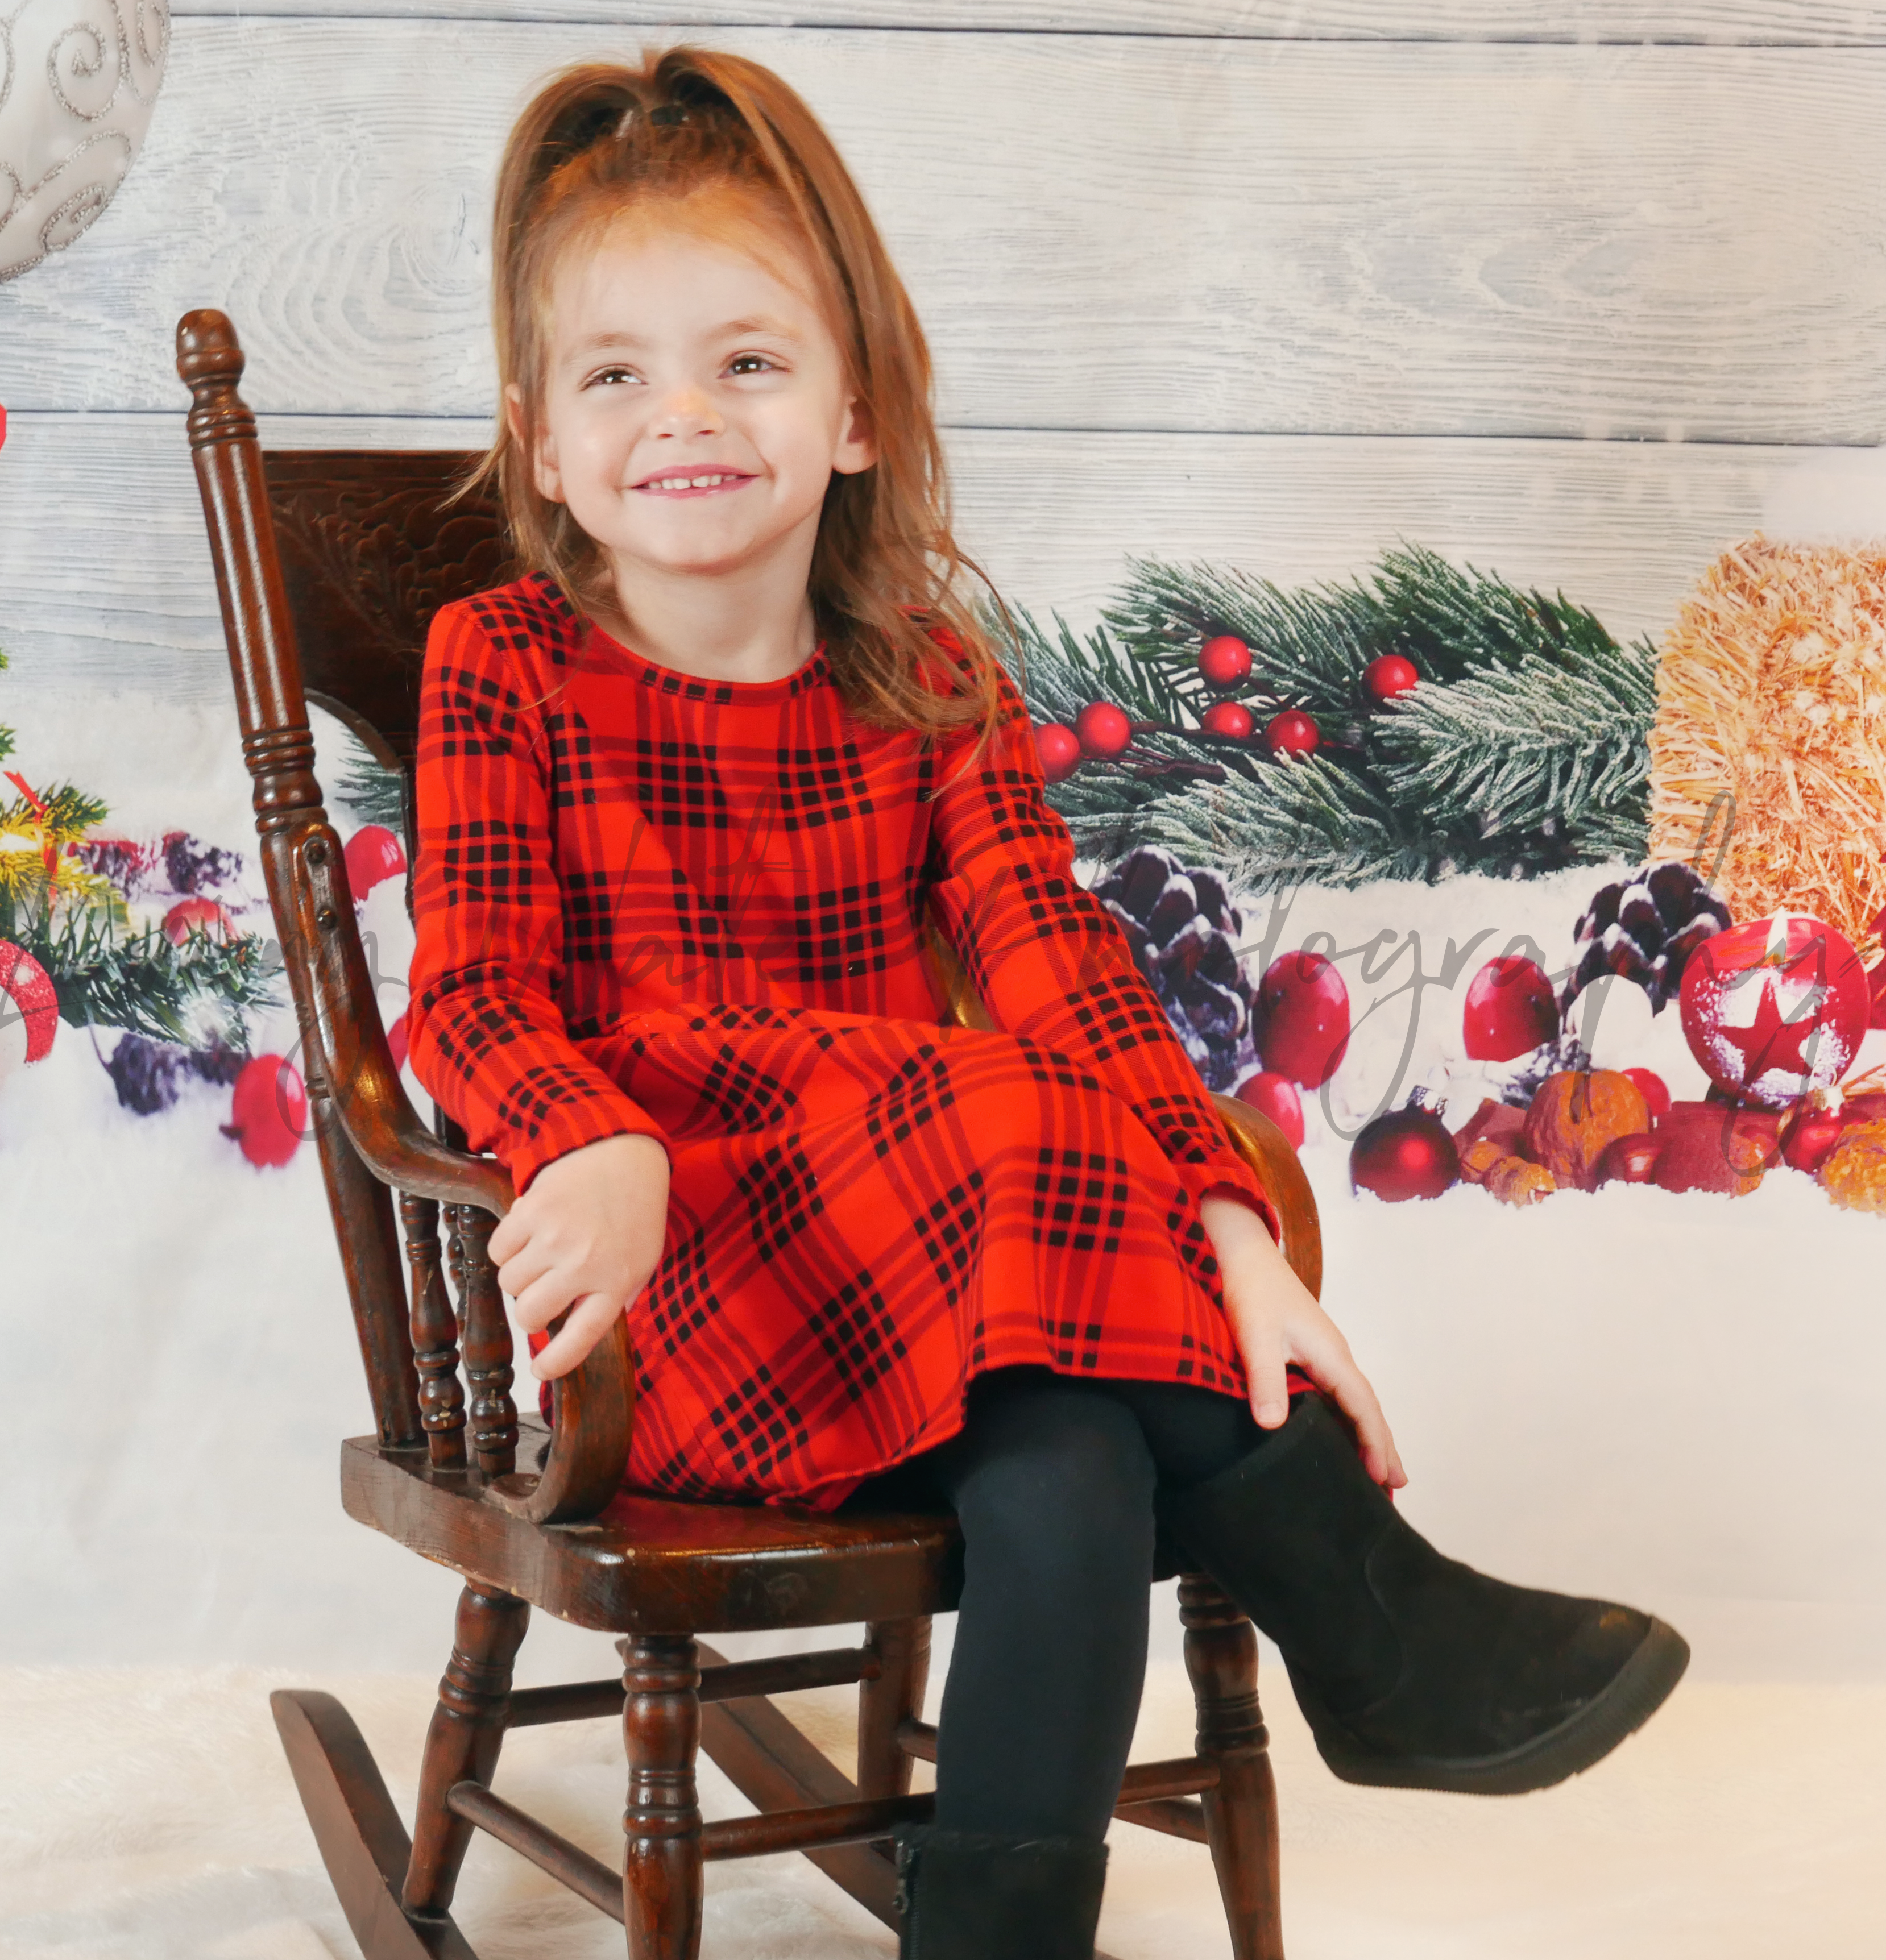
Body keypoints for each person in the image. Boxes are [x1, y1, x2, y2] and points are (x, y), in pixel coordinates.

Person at [407, 44, 1687, 1959]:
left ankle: (997, 1934)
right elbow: (469, 989)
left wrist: (1234, 1230)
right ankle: (1372, 1610)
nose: (685, 414)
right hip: (691, 1297)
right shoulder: (500, 658)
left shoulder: (923, 676)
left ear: (854, 410)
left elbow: (1067, 973)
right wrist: (584, 1132)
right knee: (988, 1103)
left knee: (1073, 1462)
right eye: (617, 375)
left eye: (748, 361)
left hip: (966, 1271)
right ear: (539, 432)